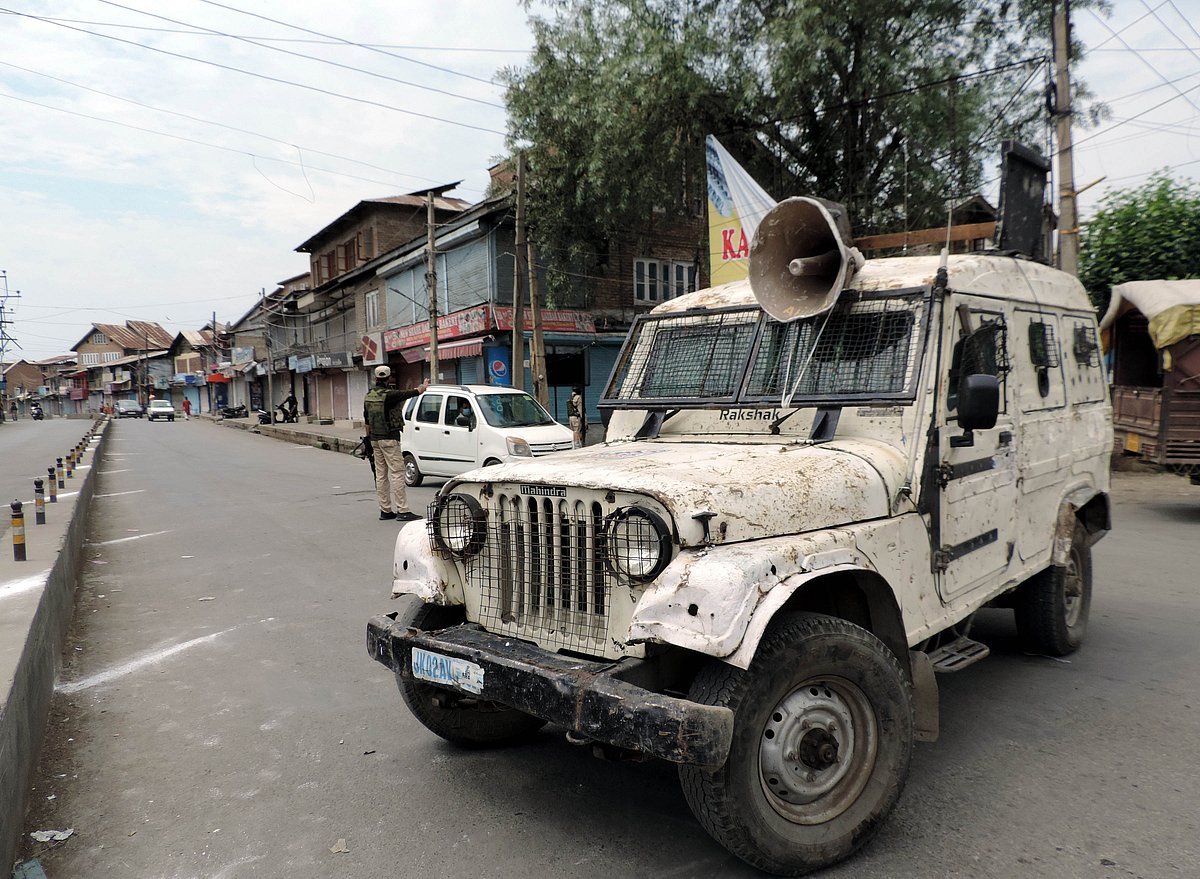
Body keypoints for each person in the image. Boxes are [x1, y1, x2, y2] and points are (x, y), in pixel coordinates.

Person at [363, 366, 428, 521]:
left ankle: (385, 510)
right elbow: (414, 392)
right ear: (389, 378)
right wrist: (423, 386)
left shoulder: (369, 396)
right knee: (397, 473)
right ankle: (403, 510)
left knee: (380, 475)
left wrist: (368, 439)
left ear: (376, 378)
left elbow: (366, 420)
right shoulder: (390, 395)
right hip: (390, 439)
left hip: (375, 440)